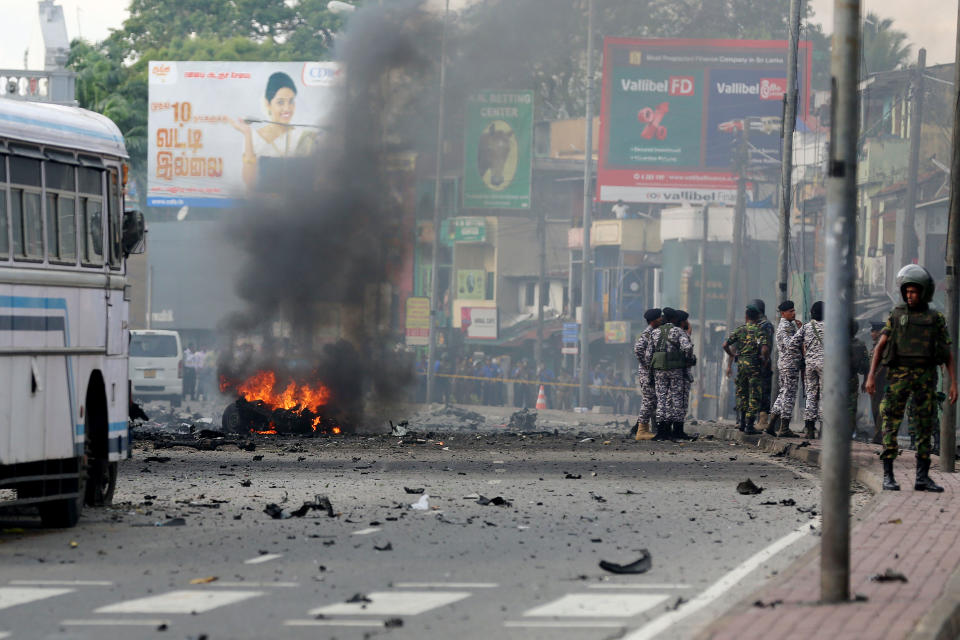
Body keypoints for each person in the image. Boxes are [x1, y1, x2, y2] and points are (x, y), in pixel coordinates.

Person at [865, 265, 957, 492]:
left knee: (924, 426)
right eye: (907, 291)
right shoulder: (897, 315)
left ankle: (922, 477)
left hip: (925, 379)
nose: (909, 295)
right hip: (898, 378)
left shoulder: (935, 318)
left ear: (924, 292)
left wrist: (954, 382)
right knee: (891, 425)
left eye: (914, 292)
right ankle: (888, 475)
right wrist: (871, 377)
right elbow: (880, 347)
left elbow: (947, 352)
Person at [228, 71, 318, 190]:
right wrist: (247, 134)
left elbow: (311, 181)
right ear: (268, 103)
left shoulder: (304, 137)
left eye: (291, 102)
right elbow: (249, 182)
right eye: (280, 102)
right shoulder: (254, 137)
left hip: (296, 203)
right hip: (264, 204)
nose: (287, 108)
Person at [647, 307, 695, 440]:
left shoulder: (655, 333)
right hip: (676, 370)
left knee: (661, 399)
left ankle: (661, 432)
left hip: (659, 370)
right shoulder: (678, 331)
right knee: (677, 399)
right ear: (674, 319)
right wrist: (688, 360)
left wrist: (651, 369)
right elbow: (687, 347)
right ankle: (678, 431)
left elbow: (648, 355)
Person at [722, 304, 770, 435]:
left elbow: (725, 345)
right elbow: (765, 349)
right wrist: (764, 360)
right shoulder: (760, 331)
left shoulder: (740, 330)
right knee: (754, 394)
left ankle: (741, 422)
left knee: (742, 393)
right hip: (754, 364)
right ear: (757, 317)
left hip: (741, 365)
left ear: (746, 316)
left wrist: (732, 355)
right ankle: (750, 425)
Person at [790, 301, 825, 439]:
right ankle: (823, 430)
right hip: (825, 365)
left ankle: (809, 429)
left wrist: (803, 355)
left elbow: (793, 344)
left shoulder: (806, 327)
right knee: (824, 396)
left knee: (811, 395)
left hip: (809, 365)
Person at [768, 300, 802, 437]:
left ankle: (771, 425)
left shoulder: (787, 325)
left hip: (786, 364)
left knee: (783, 394)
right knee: (789, 395)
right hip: (790, 365)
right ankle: (784, 428)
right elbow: (790, 345)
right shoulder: (786, 327)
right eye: (790, 311)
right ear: (783, 313)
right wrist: (801, 332)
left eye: (794, 310)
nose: (793, 313)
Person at [632, 308, 662, 440]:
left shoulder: (655, 332)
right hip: (646, 373)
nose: (661, 319)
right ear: (654, 320)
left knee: (654, 401)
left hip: (650, 372)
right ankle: (641, 430)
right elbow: (638, 349)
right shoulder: (648, 333)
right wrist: (646, 364)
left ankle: (649, 428)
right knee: (649, 400)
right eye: (659, 318)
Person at [750, 298, 775, 432]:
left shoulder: (766, 325)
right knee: (752, 391)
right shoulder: (753, 324)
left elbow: (767, 346)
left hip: (762, 362)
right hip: (752, 363)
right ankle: (748, 421)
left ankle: (763, 420)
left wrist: (764, 360)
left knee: (763, 391)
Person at [849, 320, 871, 438]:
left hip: (837, 380)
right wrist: (865, 380)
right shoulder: (860, 345)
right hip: (853, 378)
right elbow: (866, 366)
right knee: (852, 406)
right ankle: (851, 431)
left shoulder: (837, 343)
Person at [868, 321, 888, 444]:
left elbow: (882, 365)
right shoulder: (876, 346)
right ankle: (878, 435)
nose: (871, 334)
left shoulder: (883, 346)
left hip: (881, 383)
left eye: (873, 331)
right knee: (875, 409)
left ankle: (878, 436)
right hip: (875, 383)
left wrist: (873, 377)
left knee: (879, 410)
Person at [676, 310, 695, 427]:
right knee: (681, 402)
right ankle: (678, 429)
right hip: (681, 373)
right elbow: (687, 349)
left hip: (671, 372)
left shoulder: (668, 332)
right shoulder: (681, 334)